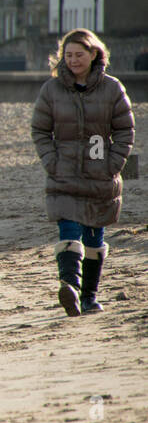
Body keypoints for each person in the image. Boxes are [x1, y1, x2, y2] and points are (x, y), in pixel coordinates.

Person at [31, 29, 135, 316]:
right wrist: (51, 160)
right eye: (68, 55)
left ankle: (89, 296)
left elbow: (125, 130)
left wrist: (113, 163)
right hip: (62, 173)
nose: (73, 60)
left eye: (79, 54)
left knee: (93, 238)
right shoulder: (50, 90)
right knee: (68, 230)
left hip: (100, 174)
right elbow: (40, 130)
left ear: (93, 54)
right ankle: (70, 287)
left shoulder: (112, 88)